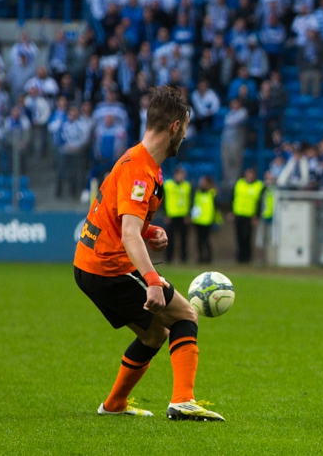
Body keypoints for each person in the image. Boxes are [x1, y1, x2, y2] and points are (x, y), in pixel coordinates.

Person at [73, 86, 224, 421]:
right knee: (185, 315)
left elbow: (123, 222)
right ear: (174, 127)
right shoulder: (140, 170)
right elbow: (127, 233)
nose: (185, 136)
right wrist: (153, 281)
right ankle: (183, 400)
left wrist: (146, 230)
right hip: (109, 267)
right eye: (185, 128)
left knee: (155, 333)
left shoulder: (140, 161)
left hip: (89, 265)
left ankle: (114, 404)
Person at [230, 168, 265, 263]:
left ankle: (247, 258)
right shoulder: (239, 183)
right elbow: (233, 197)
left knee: (247, 237)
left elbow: (260, 202)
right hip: (238, 214)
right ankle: (239, 258)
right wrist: (231, 211)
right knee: (239, 237)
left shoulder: (258, 186)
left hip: (250, 216)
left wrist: (257, 216)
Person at [163, 165, 192, 264]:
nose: (182, 176)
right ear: (175, 174)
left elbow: (190, 201)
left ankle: (184, 258)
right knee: (170, 239)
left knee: (183, 239)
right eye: (180, 174)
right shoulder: (168, 185)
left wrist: (188, 214)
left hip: (183, 216)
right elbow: (163, 200)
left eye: (183, 174)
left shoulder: (187, 186)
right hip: (171, 215)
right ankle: (169, 258)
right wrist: (165, 213)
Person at [191, 175, 217, 264]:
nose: (202, 184)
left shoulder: (212, 194)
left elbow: (215, 207)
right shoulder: (197, 193)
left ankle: (208, 257)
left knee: (206, 240)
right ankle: (201, 256)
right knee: (199, 240)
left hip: (207, 221)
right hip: (198, 220)